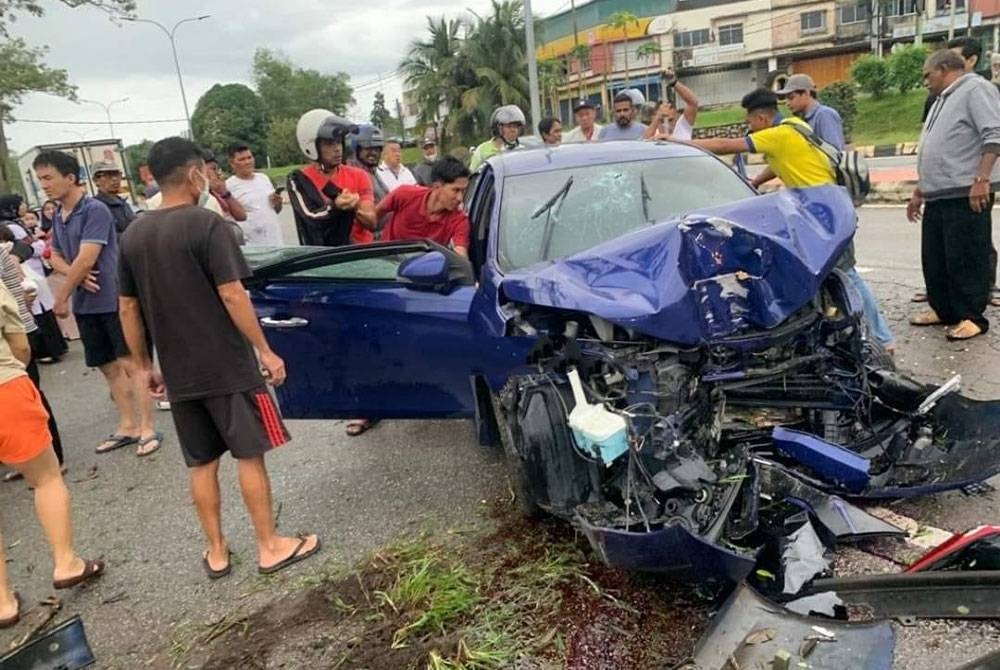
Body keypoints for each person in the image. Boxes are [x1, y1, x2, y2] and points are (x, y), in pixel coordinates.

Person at [119, 136, 320, 579]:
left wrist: (143, 365)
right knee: (249, 455)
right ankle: (270, 546)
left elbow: (127, 307)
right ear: (193, 174)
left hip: (178, 372)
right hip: (228, 366)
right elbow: (232, 293)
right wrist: (265, 350)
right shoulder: (206, 226)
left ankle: (217, 551)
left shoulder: (133, 234)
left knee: (201, 462)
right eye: (205, 173)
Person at [692, 89, 895, 351]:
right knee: (828, 274)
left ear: (762, 118)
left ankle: (882, 338)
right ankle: (839, 330)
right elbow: (781, 161)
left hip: (826, 215)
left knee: (846, 275)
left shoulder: (780, 135)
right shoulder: (795, 126)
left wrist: (675, 141)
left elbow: (724, 145)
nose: (749, 128)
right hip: (831, 208)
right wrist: (755, 182)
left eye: (750, 122)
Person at [32, 150, 161, 457]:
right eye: (40, 180)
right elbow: (57, 257)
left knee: (132, 363)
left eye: (48, 178)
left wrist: (63, 294)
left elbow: (88, 255)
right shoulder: (60, 215)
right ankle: (127, 425)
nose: (44, 185)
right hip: (87, 303)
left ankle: (147, 427)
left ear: (70, 177)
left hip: (114, 300)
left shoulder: (95, 210)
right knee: (107, 366)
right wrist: (76, 276)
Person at [0, 281, 104, 628]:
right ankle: (66, 562)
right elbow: (19, 344)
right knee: (45, 477)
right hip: (5, 387)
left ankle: (2, 602)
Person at [907, 49, 1000, 341]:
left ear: (945, 68)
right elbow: (939, 147)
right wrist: (920, 190)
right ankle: (944, 310)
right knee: (936, 259)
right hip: (938, 194)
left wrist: (982, 179)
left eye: (928, 74)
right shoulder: (942, 98)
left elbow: (994, 135)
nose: (925, 81)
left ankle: (972, 317)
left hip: (965, 192)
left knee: (966, 258)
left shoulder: (976, 89)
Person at [0, 239, 66, 482]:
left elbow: (17, 290)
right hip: (13, 330)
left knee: (31, 396)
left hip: (19, 332)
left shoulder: (2, 254)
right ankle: (25, 459)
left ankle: (53, 460)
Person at [287, 109, 377, 247]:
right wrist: (335, 206)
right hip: (327, 257)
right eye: (329, 144)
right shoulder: (299, 180)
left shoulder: (359, 175)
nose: (338, 149)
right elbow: (310, 217)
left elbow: (371, 223)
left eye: (339, 142)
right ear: (312, 145)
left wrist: (355, 206)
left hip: (362, 252)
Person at [378, 156, 471, 257]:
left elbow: (460, 255)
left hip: (425, 270)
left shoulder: (459, 221)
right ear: (437, 187)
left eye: (463, 191)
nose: (460, 198)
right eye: (456, 190)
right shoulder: (404, 194)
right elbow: (373, 217)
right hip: (387, 264)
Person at [225, 143, 283, 246]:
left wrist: (278, 202)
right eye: (242, 159)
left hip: (276, 243)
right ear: (232, 163)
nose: (247, 162)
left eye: (249, 157)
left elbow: (275, 210)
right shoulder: (228, 186)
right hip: (253, 248)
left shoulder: (263, 178)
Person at [469, 105, 526, 171]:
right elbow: (473, 175)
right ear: (498, 128)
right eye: (509, 126)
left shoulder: (522, 150)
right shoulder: (482, 151)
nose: (513, 130)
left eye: (516, 126)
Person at [644, 76, 700, 141]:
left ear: (676, 116)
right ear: (654, 118)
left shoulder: (683, 126)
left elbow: (693, 103)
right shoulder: (653, 134)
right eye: (661, 121)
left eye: (671, 120)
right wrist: (658, 118)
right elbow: (644, 142)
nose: (666, 125)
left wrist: (674, 83)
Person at [91, 160, 136, 237]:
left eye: (117, 174)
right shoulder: (95, 208)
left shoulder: (123, 203)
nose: (115, 179)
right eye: (108, 175)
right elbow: (105, 238)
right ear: (96, 180)